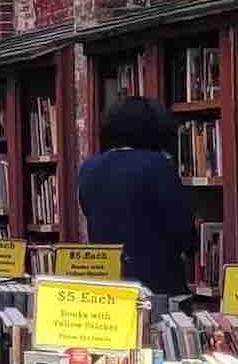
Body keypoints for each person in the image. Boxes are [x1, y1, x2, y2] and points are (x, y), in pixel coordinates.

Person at [76, 95, 197, 299]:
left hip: (108, 283)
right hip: (156, 286)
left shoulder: (89, 167)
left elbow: (90, 213)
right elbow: (182, 230)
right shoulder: (158, 165)